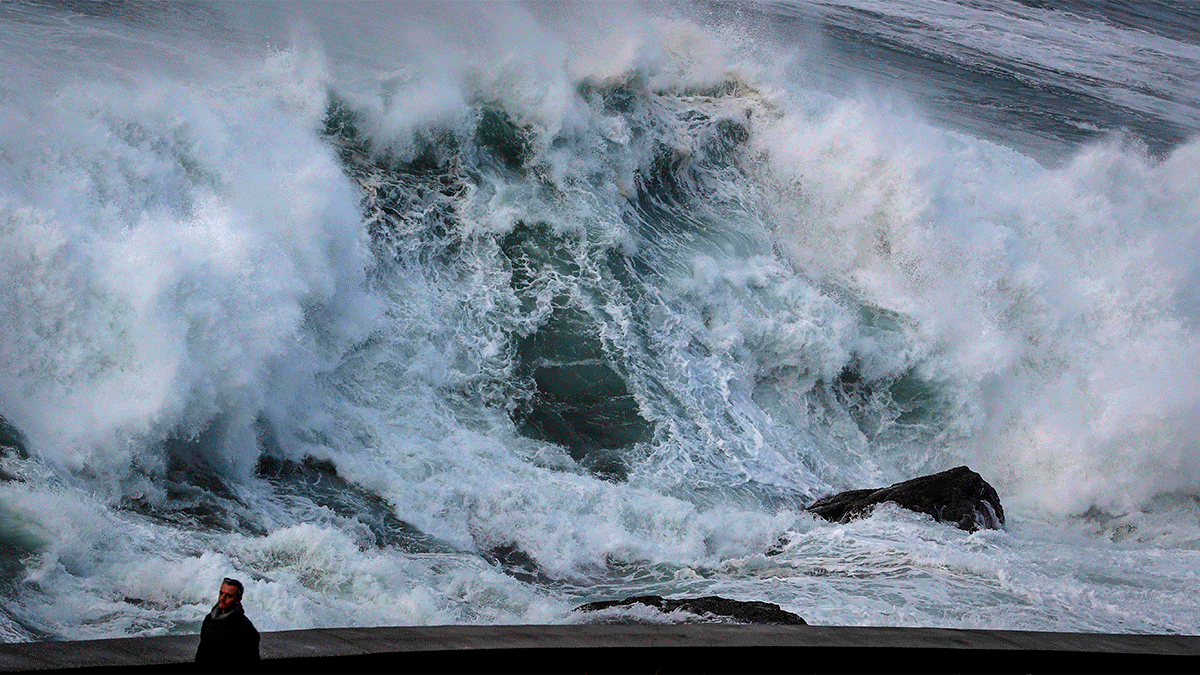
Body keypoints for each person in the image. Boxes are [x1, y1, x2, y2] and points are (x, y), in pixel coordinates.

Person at [195, 577, 260, 666]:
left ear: (238, 600)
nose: (222, 598)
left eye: (229, 596)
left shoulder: (246, 629)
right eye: (221, 593)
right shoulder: (209, 619)